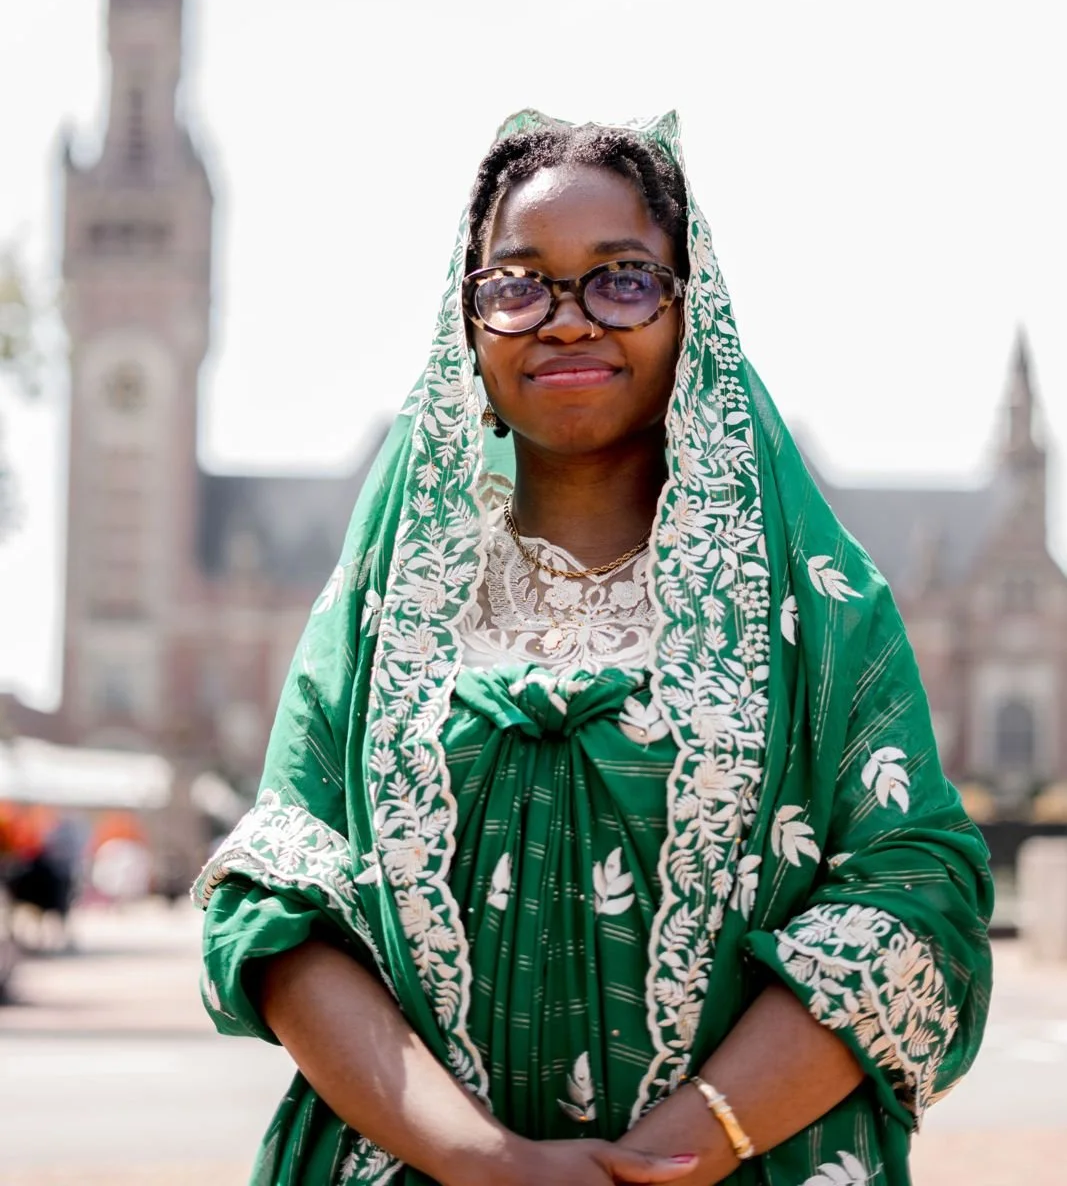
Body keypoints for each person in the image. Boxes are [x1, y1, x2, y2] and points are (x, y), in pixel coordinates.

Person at [195, 111, 992, 1186]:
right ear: (466, 322)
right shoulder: (386, 606)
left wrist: (679, 1148)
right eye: (517, 284)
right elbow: (280, 899)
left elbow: (912, 893)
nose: (563, 320)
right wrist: (487, 1162)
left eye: (619, 280)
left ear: (689, 307)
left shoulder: (817, 604)